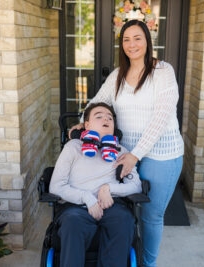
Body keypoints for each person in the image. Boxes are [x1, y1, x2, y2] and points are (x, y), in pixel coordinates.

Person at [70, 19, 184, 267]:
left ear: (147, 41)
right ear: (121, 45)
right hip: (123, 152)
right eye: (126, 39)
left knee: (150, 215)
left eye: (137, 38)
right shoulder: (117, 75)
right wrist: (83, 122)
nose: (132, 44)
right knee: (122, 210)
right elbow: (96, 102)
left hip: (160, 155)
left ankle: (148, 264)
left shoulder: (163, 72)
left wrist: (136, 155)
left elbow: (161, 118)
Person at [49, 102, 142, 267]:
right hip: (75, 207)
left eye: (109, 117)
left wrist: (108, 188)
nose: (106, 119)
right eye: (98, 116)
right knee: (72, 223)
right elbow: (56, 186)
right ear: (87, 125)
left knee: (124, 220)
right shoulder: (73, 147)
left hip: (111, 205)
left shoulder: (122, 151)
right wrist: (86, 198)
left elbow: (136, 186)